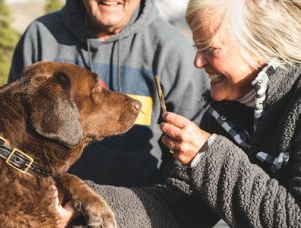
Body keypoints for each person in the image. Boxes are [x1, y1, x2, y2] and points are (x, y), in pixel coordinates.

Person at [56, 0, 301, 227]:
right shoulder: (225, 111)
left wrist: (206, 155)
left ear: (260, 41)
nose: (197, 62)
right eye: (197, 47)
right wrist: (81, 200)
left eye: (209, 48)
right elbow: (179, 207)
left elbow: (293, 218)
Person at [8, 0, 209, 187]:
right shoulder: (41, 37)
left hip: (140, 213)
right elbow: (12, 136)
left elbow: (189, 161)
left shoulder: (173, 51)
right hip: (49, 211)